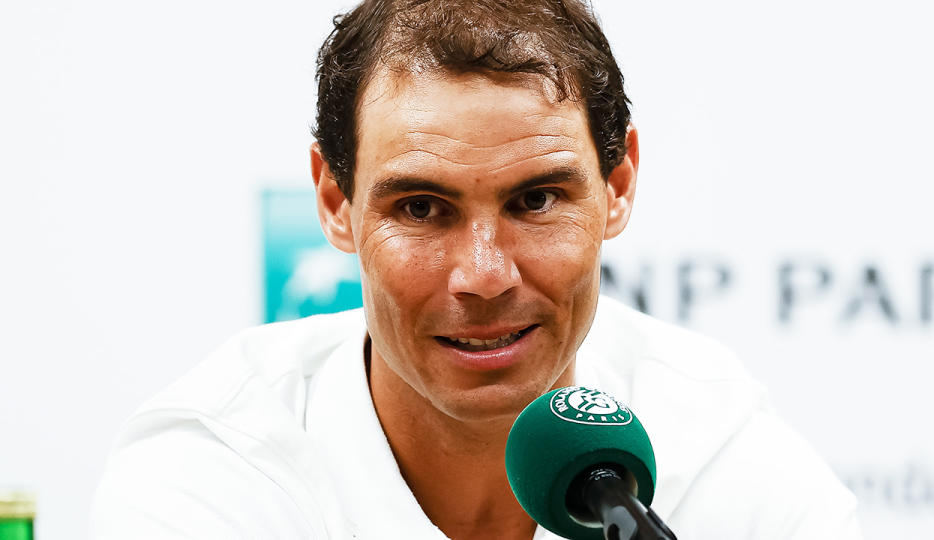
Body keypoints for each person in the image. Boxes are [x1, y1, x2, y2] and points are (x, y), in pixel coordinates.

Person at [91, 0, 861, 538]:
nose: (484, 277)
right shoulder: (212, 475)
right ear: (335, 201)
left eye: (536, 199)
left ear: (617, 187)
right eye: (422, 208)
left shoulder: (720, 458)